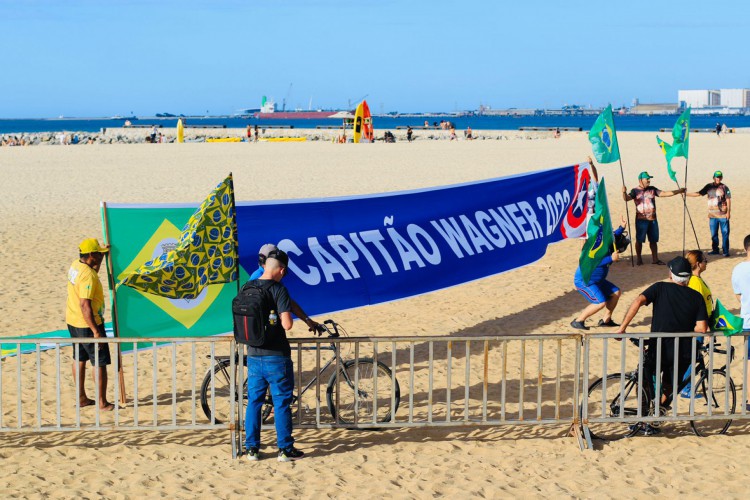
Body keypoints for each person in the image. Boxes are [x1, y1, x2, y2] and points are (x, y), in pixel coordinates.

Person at [615, 257, 708, 431]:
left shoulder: (660, 287)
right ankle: (654, 415)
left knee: (645, 379)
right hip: (682, 351)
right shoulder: (696, 297)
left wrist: (623, 327)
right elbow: (702, 328)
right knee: (669, 385)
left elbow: (638, 300)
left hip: (658, 347)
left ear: (671, 274)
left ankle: (643, 419)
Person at [243, 250, 305, 462]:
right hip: (276, 356)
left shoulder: (247, 286)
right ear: (282, 270)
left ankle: (251, 449)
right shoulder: (278, 289)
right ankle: (284, 449)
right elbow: (287, 324)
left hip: (253, 354)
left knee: (254, 402)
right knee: (281, 403)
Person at [66, 238, 114, 411]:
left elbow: (91, 272)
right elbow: (85, 304)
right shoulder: (89, 276)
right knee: (99, 362)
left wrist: (104, 257)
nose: (101, 256)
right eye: (99, 254)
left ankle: (81, 398)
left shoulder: (76, 265)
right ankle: (102, 402)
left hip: (73, 321)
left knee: (79, 358)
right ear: (91, 254)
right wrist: (96, 331)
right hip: (88, 323)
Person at [571, 220, 629, 330]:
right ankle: (578, 321)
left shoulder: (603, 240)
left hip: (598, 280)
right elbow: (592, 261)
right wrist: (610, 258)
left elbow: (612, 236)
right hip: (585, 281)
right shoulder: (592, 247)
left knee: (616, 292)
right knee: (600, 302)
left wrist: (621, 228)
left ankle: (606, 320)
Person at [250, 243, 320, 331]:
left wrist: (306, 319)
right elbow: (287, 324)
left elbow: (286, 301)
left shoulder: (265, 276)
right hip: (266, 336)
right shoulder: (263, 277)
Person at [622, 171, 685, 266]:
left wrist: (678, 191)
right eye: (647, 179)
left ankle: (655, 259)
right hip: (641, 220)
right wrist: (623, 192)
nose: (648, 181)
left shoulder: (652, 189)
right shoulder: (635, 191)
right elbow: (626, 198)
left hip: (653, 219)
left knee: (653, 240)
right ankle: (639, 259)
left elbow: (664, 193)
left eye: (649, 179)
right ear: (640, 180)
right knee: (639, 240)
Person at [686, 170, 731, 257]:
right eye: (716, 177)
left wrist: (728, 212)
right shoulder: (708, 186)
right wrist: (686, 194)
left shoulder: (725, 187)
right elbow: (699, 193)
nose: (718, 178)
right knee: (714, 234)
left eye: (719, 177)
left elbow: (728, 199)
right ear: (714, 177)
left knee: (725, 233)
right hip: (712, 215)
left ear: (721, 178)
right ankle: (715, 250)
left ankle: (725, 251)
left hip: (723, 215)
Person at [731, 234, 750, 411]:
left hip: (747, 320)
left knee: (749, 360)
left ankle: (749, 399)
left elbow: (738, 294)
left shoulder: (737, 269)